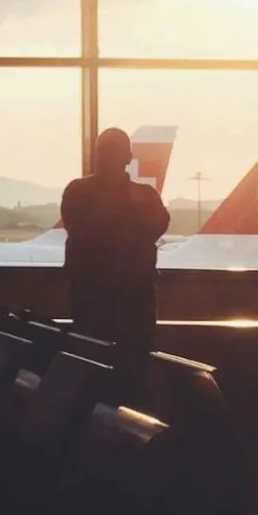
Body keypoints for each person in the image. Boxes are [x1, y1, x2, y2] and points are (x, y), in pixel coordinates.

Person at [61, 127, 171, 395]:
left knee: (102, 374)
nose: (108, 158)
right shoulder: (141, 197)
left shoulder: (80, 192)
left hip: (113, 300)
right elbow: (153, 226)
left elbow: (88, 231)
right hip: (118, 300)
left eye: (112, 151)